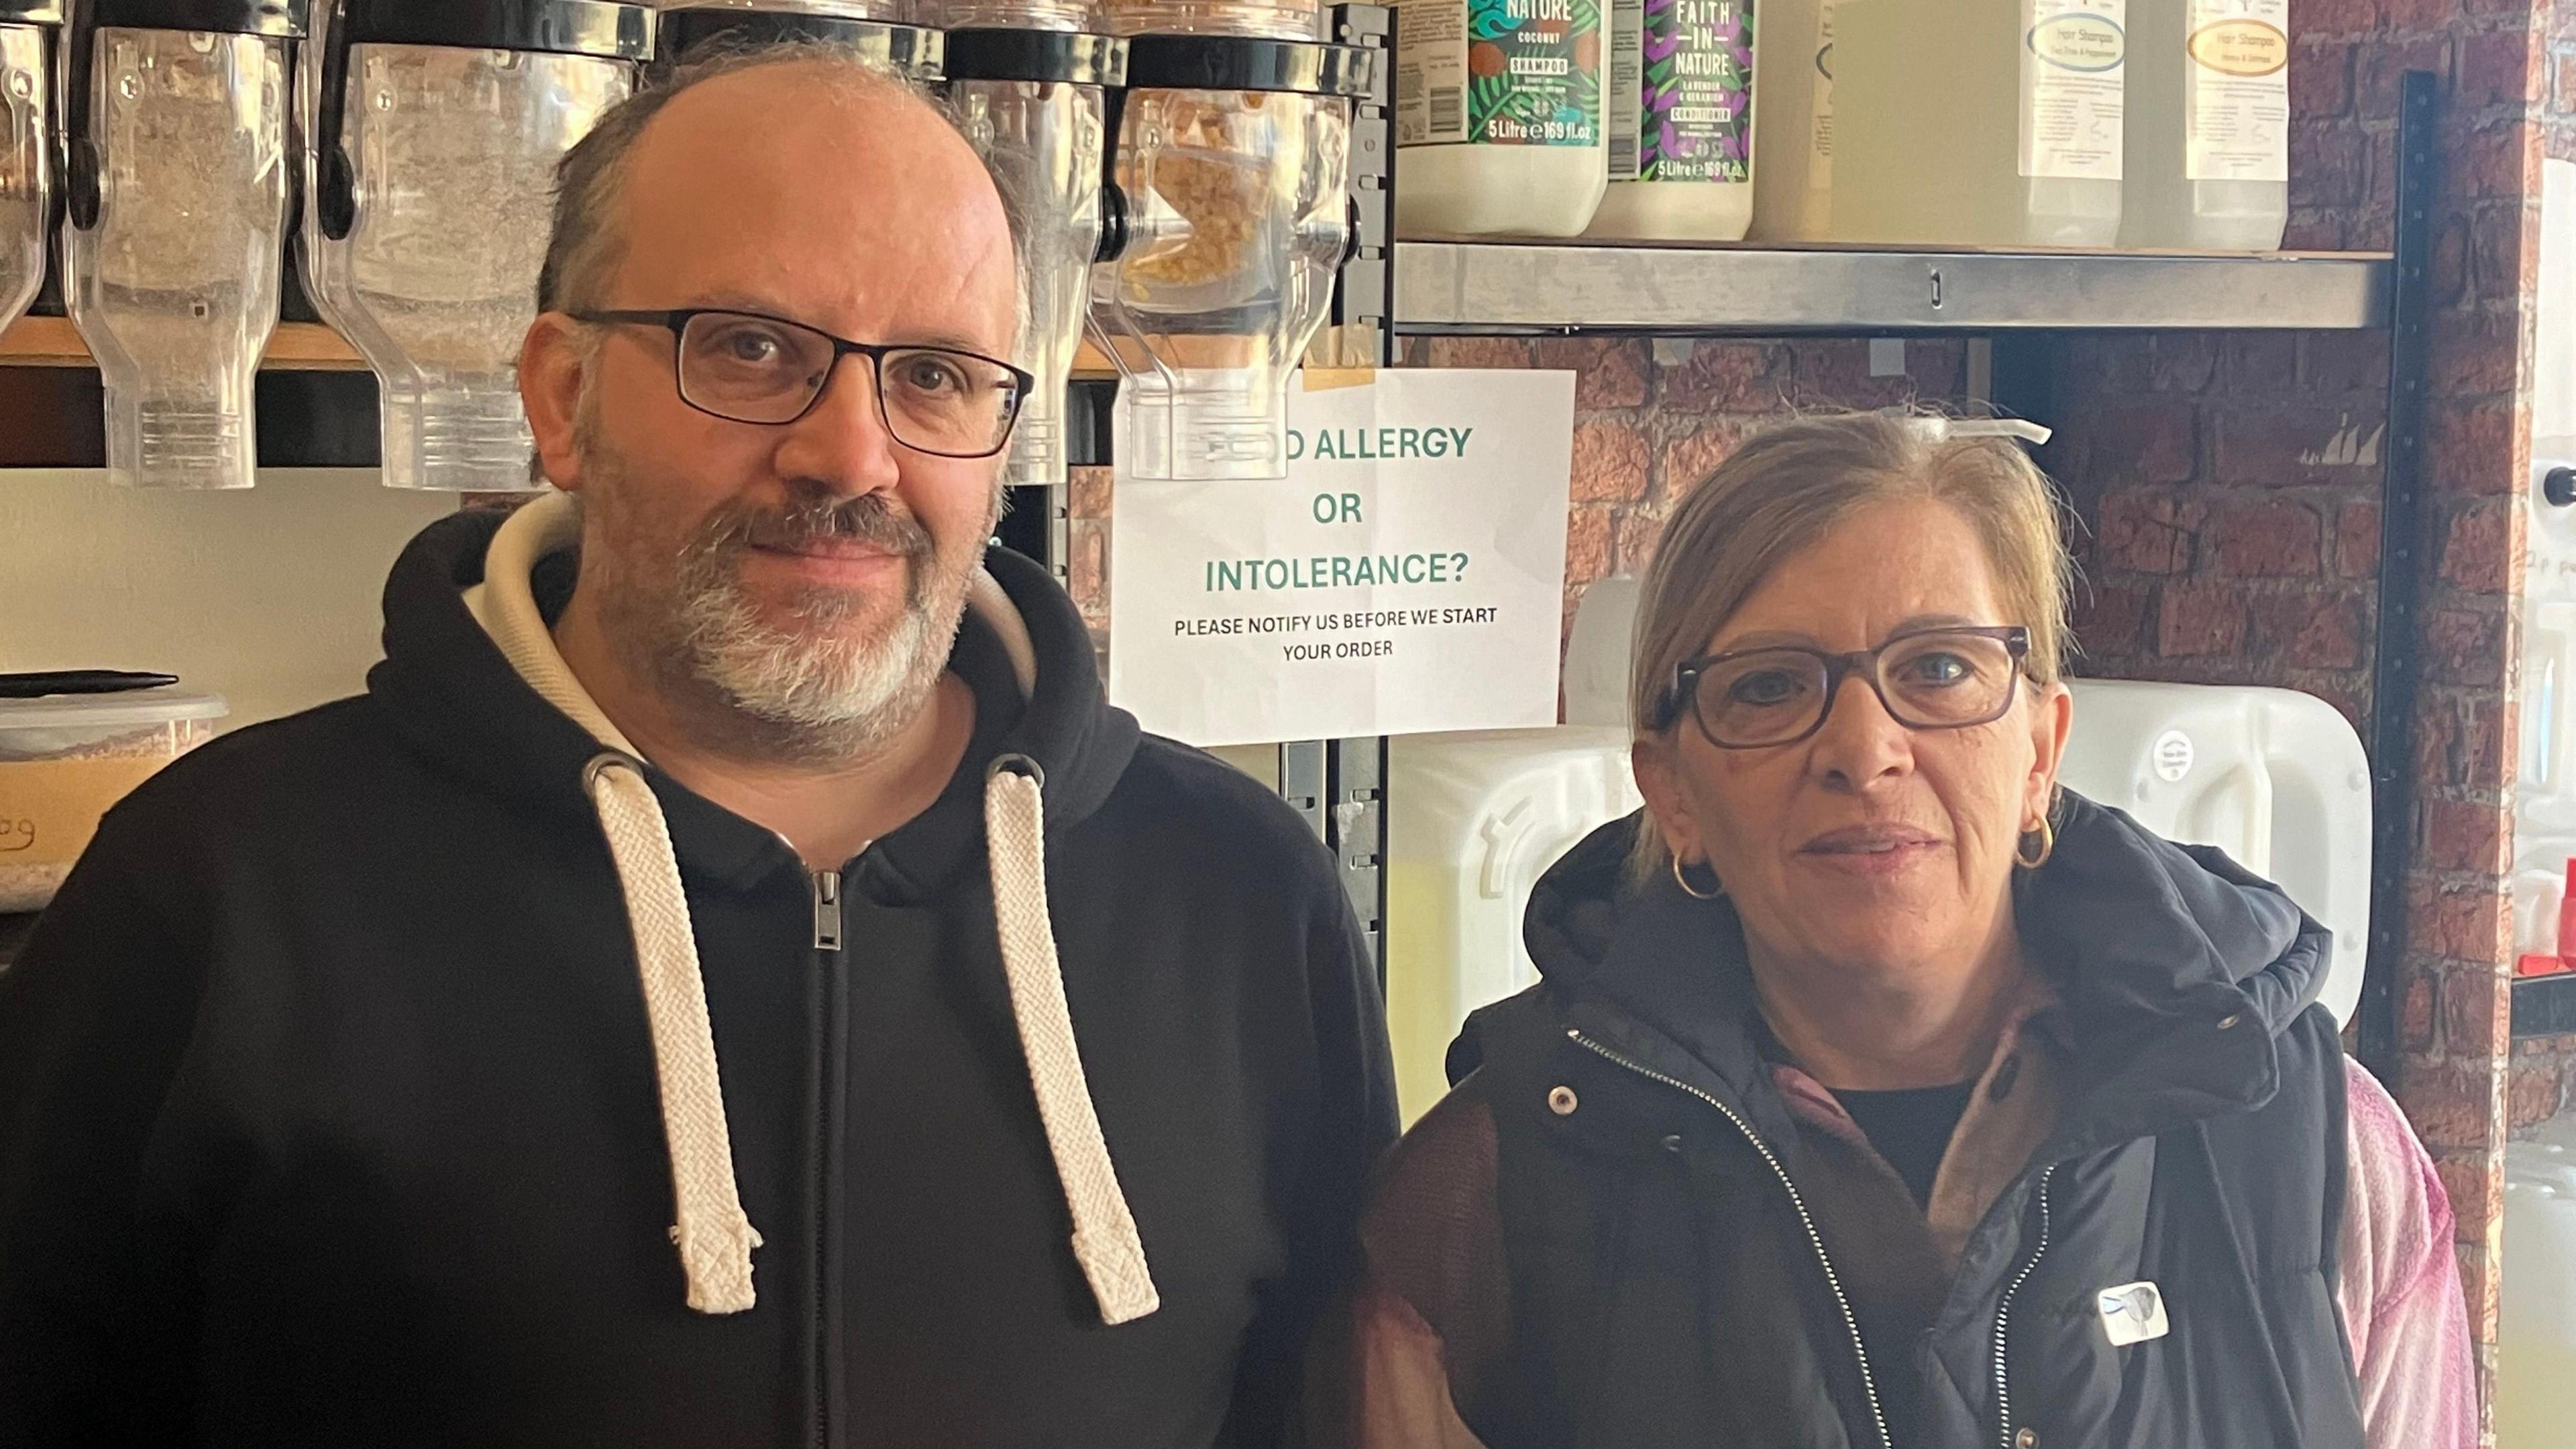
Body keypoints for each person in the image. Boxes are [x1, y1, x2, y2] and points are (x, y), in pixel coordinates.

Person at [0, 44, 1393, 1448]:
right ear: (562, 398)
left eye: (936, 377)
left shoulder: (1239, 902)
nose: (851, 457)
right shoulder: (221, 892)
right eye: (749, 347)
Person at [1308, 412, 2475, 1448]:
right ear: (1672, 794)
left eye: (1937, 667)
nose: (1865, 752)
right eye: (1768, 687)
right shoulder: (1491, 1188)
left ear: (2040, 752)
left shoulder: (2322, 1155)